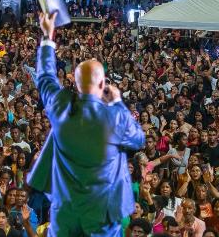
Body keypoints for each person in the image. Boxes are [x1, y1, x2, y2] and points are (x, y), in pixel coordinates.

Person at [27, 12, 145, 237]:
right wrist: (118, 103)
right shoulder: (114, 117)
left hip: (65, 215)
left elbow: (45, 78)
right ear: (103, 83)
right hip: (101, 217)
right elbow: (138, 139)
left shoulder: (61, 106)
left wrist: (47, 36)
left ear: (74, 80)